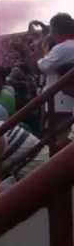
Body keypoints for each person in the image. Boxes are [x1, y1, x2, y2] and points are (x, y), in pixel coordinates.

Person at [37, 13, 74, 150]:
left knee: (59, 144)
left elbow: (42, 65)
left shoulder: (63, 48)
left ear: (56, 31)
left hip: (60, 104)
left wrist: (42, 49)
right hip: (68, 103)